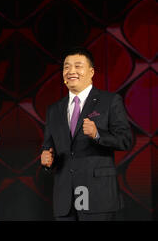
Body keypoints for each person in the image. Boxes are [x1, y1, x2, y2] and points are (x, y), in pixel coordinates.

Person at [41, 46, 133, 221]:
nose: (71, 71)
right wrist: (47, 160)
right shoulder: (54, 109)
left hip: (98, 195)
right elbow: (49, 146)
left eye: (78, 66)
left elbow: (125, 140)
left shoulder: (109, 101)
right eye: (66, 67)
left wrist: (98, 134)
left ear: (91, 72)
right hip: (65, 199)